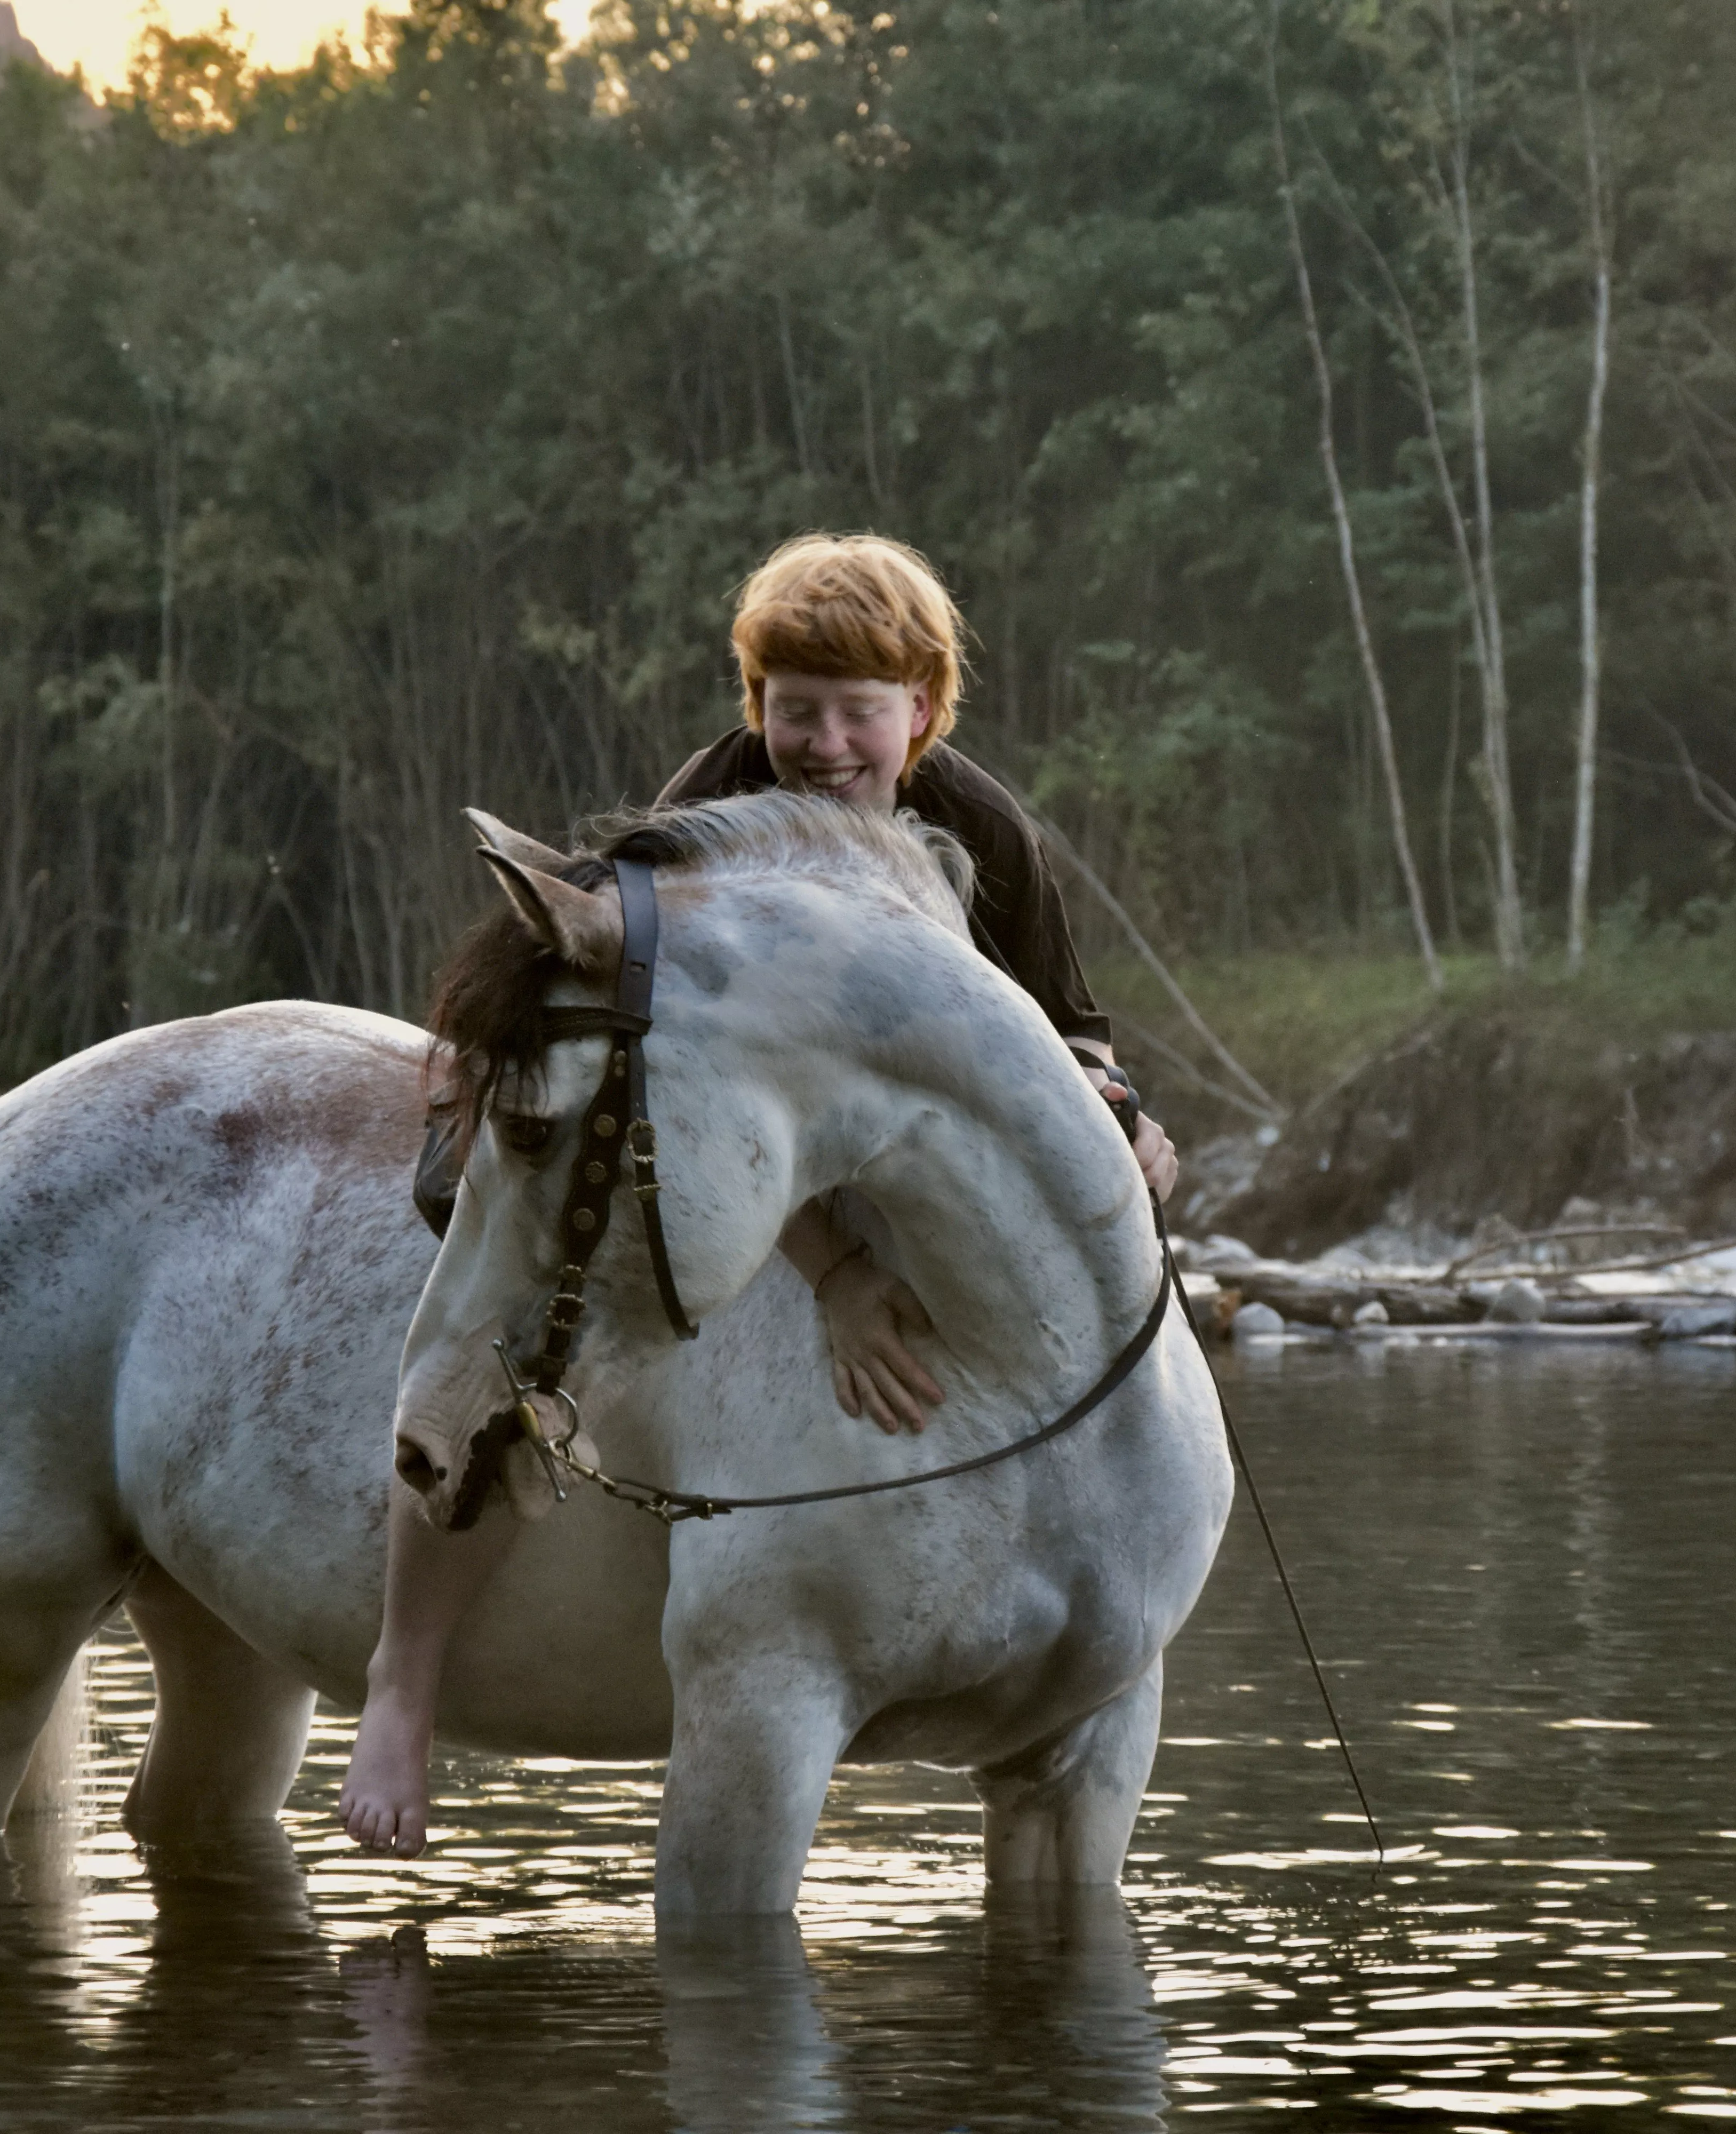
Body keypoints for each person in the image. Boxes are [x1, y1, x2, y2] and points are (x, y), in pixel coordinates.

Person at [339, 532, 1174, 1856]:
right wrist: (837, 1275)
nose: (827, 743)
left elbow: (1072, 1036)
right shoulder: (712, 812)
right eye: (796, 711)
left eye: (860, 712)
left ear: (923, 711)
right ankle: (405, 1673)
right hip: (723, 1162)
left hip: (908, 1172)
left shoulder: (986, 829)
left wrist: (1129, 1123)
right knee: (520, 1341)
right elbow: (673, 1083)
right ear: (756, 709)